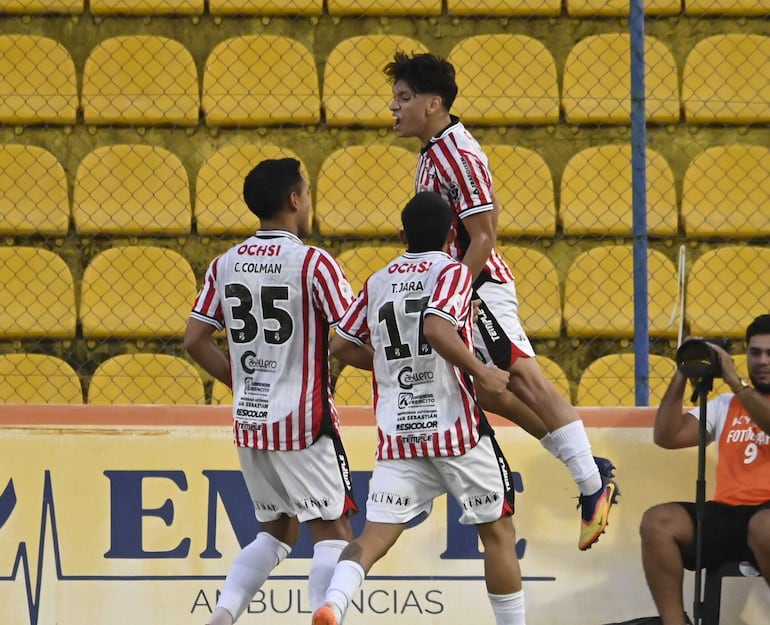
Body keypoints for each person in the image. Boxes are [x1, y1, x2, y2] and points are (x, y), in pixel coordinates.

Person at [384, 51, 618, 551]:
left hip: (479, 289)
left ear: (433, 103)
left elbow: (484, 236)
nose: (394, 107)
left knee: (526, 379)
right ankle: (587, 467)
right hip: (464, 289)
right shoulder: (432, 151)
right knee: (489, 392)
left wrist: (453, 293)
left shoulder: (458, 154)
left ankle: (591, 484)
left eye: (403, 97)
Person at [312, 191, 526, 625]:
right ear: (451, 234)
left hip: (399, 434)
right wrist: (481, 372)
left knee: (372, 538)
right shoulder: (453, 272)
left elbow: (341, 344)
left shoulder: (378, 281)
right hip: (456, 432)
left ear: (402, 234)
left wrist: (387, 364)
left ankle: (333, 603)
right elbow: (437, 330)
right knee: (498, 534)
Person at [184, 158, 358, 625]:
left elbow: (194, 339)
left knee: (276, 532)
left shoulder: (225, 264)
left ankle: (224, 614)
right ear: (294, 200)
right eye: (308, 192)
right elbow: (350, 334)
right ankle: (323, 616)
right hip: (304, 422)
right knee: (334, 534)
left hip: (251, 420)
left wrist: (241, 382)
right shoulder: (313, 263)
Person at [639, 314, 770, 625]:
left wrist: (735, 381)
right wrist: (683, 370)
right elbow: (667, 436)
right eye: (755, 352)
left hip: (767, 518)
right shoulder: (725, 404)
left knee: (764, 525)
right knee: (658, 522)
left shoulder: (737, 392)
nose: (763, 361)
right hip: (727, 515)